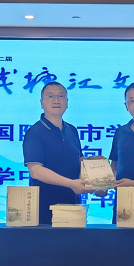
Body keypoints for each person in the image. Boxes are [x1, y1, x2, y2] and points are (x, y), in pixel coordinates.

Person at [22, 81, 92, 225]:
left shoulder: (72, 130)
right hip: (44, 207)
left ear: (67, 102)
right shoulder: (34, 132)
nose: (56, 100)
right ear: (41, 103)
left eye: (61, 96)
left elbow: (78, 161)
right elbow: (36, 171)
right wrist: (71, 183)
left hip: (72, 205)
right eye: (50, 96)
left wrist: (96, 177)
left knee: (74, 239)